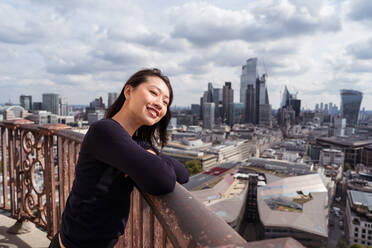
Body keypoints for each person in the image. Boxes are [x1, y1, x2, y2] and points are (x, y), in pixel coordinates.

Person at [49, 68, 189, 248]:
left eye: (165, 102)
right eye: (154, 93)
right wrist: (151, 158)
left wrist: (151, 154)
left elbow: (183, 174)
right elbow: (161, 180)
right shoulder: (105, 131)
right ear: (128, 91)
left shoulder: (133, 142)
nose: (160, 104)